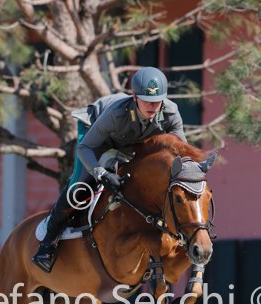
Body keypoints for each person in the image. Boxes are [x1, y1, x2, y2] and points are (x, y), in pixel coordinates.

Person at [32, 66, 187, 273]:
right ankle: (47, 244)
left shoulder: (170, 112)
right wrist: (102, 174)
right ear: (134, 97)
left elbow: (182, 153)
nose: (152, 106)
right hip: (95, 138)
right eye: (146, 100)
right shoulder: (116, 113)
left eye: (157, 101)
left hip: (131, 144)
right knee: (80, 186)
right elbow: (85, 148)